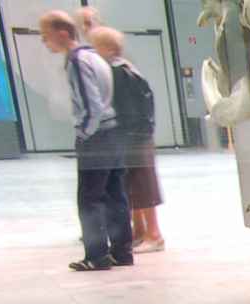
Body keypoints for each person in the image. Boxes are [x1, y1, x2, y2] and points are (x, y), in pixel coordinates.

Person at [39, 10, 131, 271]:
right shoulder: (94, 56)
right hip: (112, 135)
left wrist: (85, 134)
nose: (45, 42)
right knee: (115, 195)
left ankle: (97, 255)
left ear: (62, 33)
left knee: (89, 198)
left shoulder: (78, 61)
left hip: (98, 137)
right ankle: (122, 251)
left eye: (46, 36)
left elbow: (91, 104)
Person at [89, 27, 164, 253]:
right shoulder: (123, 69)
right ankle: (140, 231)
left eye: (96, 47)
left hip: (134, 137)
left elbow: (127, 108)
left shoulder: (119, 71)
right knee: (133, 185)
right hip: (136, 135)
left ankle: (154, 234)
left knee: (142, 185)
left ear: (109, 48)